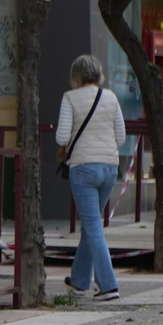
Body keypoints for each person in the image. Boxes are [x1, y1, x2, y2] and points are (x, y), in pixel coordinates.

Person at [57, 54, 127, 302]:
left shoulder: (70, 98)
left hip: (83, 169)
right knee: (91, 224)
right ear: (98, 74)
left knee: (93, 226)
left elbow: (61, 137)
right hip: (109, 168)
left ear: (75, 75)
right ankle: (79, 281)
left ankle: (108, 285)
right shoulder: (110, 97)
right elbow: (121, 137)